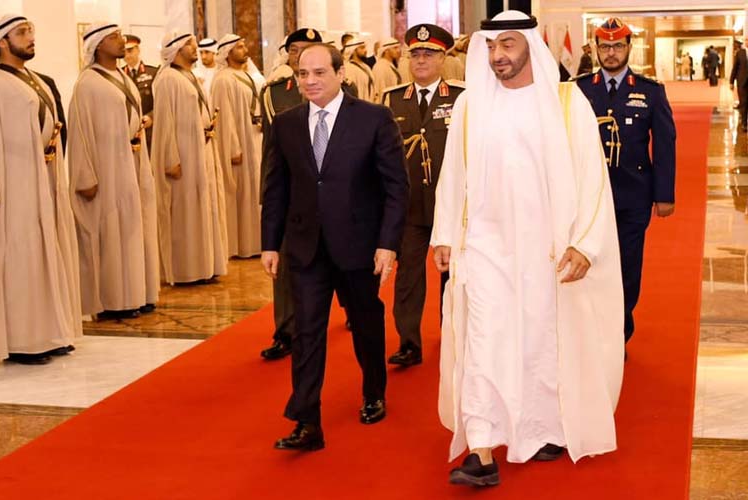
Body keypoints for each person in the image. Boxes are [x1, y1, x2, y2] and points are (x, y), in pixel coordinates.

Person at [433, 11, 624, 487]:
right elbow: (452, 176)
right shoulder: (470, 106)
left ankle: (540, 429)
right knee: (482, 340)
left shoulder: (566, 103)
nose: (498, 55)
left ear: (530, 46)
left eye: (508, 45)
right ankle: (481, 447)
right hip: (484, 248)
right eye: (491, 46)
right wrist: (444, 235)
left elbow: (593, 178)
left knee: (539, 342)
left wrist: (585, 244)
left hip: (546, 251)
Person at [262, 43, 409, 450]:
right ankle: (307, 420)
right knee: (307, 331)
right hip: (305, 247)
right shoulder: (286, 124)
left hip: (358, 245)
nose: (309, 81)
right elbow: (275, 188)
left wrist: (387, 244)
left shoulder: (373, 118)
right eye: (303, 74)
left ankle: (374, 391)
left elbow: (396, 187)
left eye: (319, 73)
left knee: (365, 322)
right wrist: (270, 243)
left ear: (340, 74)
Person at [0, 14, 82, 364]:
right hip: (12, 186)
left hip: (41, 180)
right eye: (22, 32)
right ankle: (21, 341)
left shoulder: (35, 80)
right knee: (20, 261)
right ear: (2, 42)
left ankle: (50, 333)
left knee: (44, 258)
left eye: (31, 30)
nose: (31, 37)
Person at [576, 17, 676, 346]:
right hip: (588, 197)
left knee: (627, 267)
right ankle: (590, 329)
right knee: (590, 263)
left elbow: (664, 145)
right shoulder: (579, 89)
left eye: (618, 46)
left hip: (632, 195)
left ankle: (618, 334)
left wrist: (664, 195)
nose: (611, 53)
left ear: (629, 47)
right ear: (595, 48)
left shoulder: (649, 91)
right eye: (605, 46)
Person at [382, 24, 464, 367]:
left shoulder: (461, 97)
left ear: (443, 58)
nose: (420, 60)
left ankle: (454, 334)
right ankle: (409, 342)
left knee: (454, 274)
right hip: (410, 203)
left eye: (428, 54)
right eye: (415, 54)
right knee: (409, 277)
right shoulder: (392, 99)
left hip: (451, 203)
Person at [67, 22, 159, 320]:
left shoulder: (122, 77)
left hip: (132, 161)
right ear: (97, 45)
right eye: (114, 37)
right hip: (107, 168)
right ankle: (114, 300)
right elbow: (79, 132)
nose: (121, 41)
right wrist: (84, 176)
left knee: (135, 229)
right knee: (113, 233)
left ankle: (139, 293)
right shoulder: (87, 83)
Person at [152, 32, 227, 285]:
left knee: (204, 208)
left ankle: (205, 265)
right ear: (176, 49)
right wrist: (170, 158)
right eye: (190, 45)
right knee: (185, 213)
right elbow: (165, 122)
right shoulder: (167, 79)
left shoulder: (189, 75)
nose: (195, 48)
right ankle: (186, 271)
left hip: (201, 150)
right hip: (183, 155)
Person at [211, 34, 263, 258]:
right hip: (239, 142)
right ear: (227, 52)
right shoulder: (223, 79)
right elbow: (225, 117)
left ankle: (254, 243)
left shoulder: (245, 75)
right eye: (239, 47)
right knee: (240, 193)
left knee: (253, 191)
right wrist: (233, 147)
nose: (245, 50)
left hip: (253, 138)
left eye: (243, 46)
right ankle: (239, 246)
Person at [122, 34, 157, 153]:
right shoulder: (119, 75)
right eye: (124, 52)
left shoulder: (152, 72)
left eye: (130, 50)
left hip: (149, 131)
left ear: (138, 49)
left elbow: (161, 102)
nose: (127, 55)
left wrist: (151, 116)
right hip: (127, 132)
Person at [192, 38, 218, 106]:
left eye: (207, 52)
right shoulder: (194, 74)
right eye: (201, 53)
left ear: (214, 53)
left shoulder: (221, 73)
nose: (203, 56)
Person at [730, 40, 748, 131]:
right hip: (742, 82)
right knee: (743, 102)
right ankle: (744, 124)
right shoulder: (740, 53)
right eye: (747, 40)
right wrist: (731, 81)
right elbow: (735, 68)